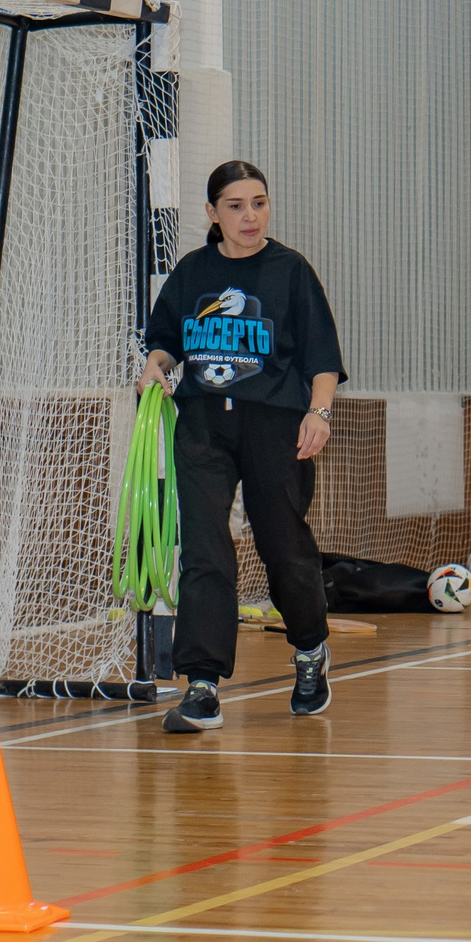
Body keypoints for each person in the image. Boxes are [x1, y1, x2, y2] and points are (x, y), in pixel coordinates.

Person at [139, 161, 346, 729]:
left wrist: (319, 413)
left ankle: (309, 650)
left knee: (283, 547)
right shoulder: (191, 273)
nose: (249, 215)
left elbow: (323, 361)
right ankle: (201, 683)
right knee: (206, 551)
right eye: (235, 205)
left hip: (274, 425)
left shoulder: (290, 271)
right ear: (212, 213)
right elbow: (162, 345)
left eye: (259, 202)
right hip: (203, 424)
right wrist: (154, 368)